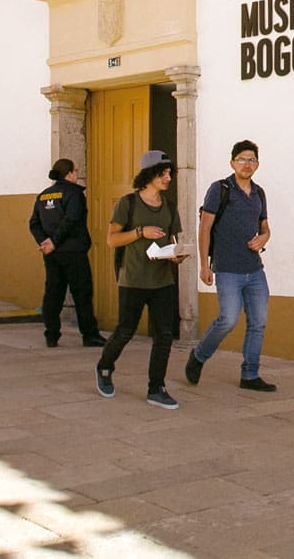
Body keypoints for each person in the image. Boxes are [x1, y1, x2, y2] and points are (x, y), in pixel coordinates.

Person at [185, 139, 275, 392]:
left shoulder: (259, 193)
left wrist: (264, 237)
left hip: (255, 270)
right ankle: (199, 356)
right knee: (227, 319)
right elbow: (205, 228)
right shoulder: (220, 189)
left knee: (258, 322)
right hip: (227, 269)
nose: (247, 164)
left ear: (257, 164)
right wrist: (204, 265)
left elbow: (265, 226)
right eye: (242, 159)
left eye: (252, 160)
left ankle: (250, 375)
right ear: (232, 163)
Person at [96, 150, 184, 408]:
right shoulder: (128, 204)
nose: (168, 178)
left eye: (170, 173)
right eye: (163, 173)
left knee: (164, 335)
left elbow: (173, 241)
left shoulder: (169, 207)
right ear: (149, 175)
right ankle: (104, 367)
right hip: (133, 279)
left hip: (163, 281)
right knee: (125, 331)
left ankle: (156, 388)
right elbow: (112, 240)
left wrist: (177, 255)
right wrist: (140, 232)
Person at [29, 158, 102, 349]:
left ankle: (51, 335)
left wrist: (45, 243)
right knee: (82, 294)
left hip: (52, 254)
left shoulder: (43, 196)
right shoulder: (74, 194)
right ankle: (90, 335)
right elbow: (71, 220)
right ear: (69, 173)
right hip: (73, 251)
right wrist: (53, 242)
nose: (77, 174)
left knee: (53, 294)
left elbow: (34, 223)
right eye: (76, 171)